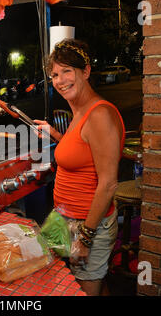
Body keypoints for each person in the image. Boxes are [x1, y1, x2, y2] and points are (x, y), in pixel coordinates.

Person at [34, 39, 125, 296]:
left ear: (85, 71)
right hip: (63, 218)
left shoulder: (99, 115)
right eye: (54, 74)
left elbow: (108, 183)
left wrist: (85, 239)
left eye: (67, 71)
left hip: (87, 225)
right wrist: (53, 133)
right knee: (62, 280)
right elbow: (83, 154)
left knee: (84, 291)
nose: (60, 80)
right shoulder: (80, 111)